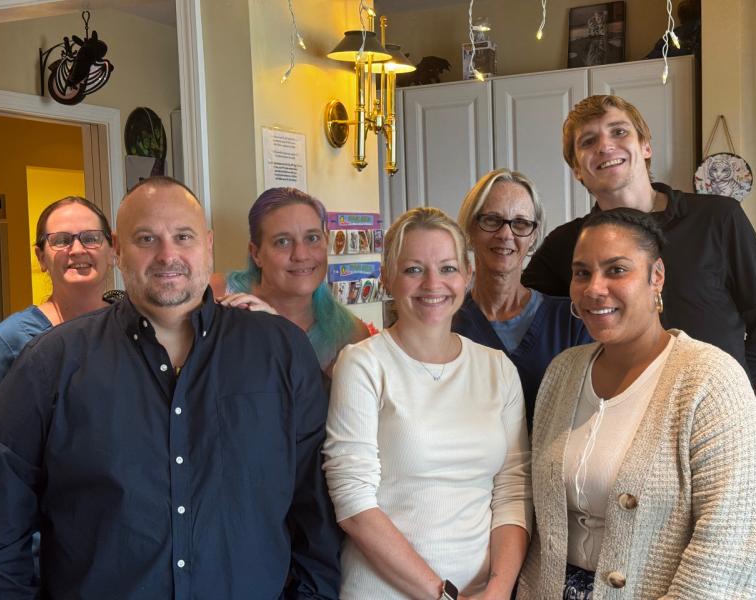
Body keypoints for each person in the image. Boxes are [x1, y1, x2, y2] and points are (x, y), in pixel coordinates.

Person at [0, 176, 341, 598]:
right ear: (117, 248)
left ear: (207, 243)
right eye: (146, 238)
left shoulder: (280, 351)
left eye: (183, 236)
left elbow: (316, 505)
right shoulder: (51, 363)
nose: (168, 255)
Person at [517, 208, 756, 599]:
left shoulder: (710, 380)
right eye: (582, 272)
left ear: (657, 276)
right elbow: (544, 529)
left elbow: (732, 546)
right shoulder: (561, 374)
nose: (594, 288)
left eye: (617, 270)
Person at [323, 207, 532, 599]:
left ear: (468, 276)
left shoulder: (497, 369)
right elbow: (353, 503)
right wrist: (444, 595)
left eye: (448, 268)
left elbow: (513, 492)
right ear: (387, 277)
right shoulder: (363, 364)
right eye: (414, 269)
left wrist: (499, 589)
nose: (433, 283)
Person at [521, 94, 756, 385]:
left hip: (724, 418)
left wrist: (724, 389)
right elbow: (514, 312)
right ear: (577, 168)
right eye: (588, 141)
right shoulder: (567, 244)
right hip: (624, 421)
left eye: (619, 132)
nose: (605, 146)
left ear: (645, 146)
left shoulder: (718, 218)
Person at [453, 169, 591, 431]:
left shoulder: (572, 323)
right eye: (492, 220)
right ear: (470, 228)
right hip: (470, 471)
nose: (506, 234)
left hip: (554, 469)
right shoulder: (448, 324)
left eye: (520, 223)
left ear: (534, 235)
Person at [0, 196, 114, 416]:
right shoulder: (11, 340)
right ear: (41, 258)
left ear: (112, 251)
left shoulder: (132, 328)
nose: (77, 249)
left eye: (91, 238)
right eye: (61, 240)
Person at [210, 187, 369, 377]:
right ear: (256, 253)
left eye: (312, 238)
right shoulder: (214, 294)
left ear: (326, 242)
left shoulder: (350, 335)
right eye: (282, 242)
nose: (301, 255)